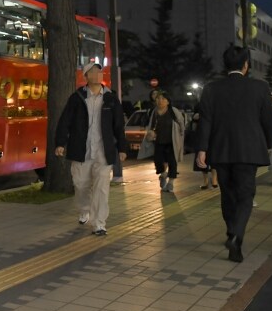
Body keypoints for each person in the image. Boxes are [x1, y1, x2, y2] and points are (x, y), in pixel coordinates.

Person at [195, 46, 272, 263]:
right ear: (246, 65)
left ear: (225, 66)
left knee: (228, 194)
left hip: (220, 150)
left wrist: (202, 149)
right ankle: (236, 237)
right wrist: (267, 143)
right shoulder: (260, 87)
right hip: (249, 151)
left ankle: (232, 232)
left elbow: (205, 121)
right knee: (245, 195)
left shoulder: (212, 89)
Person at [54, 62, 128, 236]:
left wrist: (122, 148)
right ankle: (84, 208)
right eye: (93, 72)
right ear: (86, 76)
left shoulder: (111, 98)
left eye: (99, 71)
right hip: (81, 150)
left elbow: (119, 125)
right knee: (80, 185)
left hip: (104, 151)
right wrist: (60, 143)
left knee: (102, 188)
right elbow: (65, 121)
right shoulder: (77, 98)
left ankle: (99, 223)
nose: (98, 74)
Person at [145, 90, 185, 193]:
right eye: (158, 98)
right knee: (158, 161)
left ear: (168, 101)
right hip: (159, 141)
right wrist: (151, 133)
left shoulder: (173, 111)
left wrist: (180, 137)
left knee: (172, 162)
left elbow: (181, 124)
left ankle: (171, 183)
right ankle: (163, 175)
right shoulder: (154, 112)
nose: (160, 101)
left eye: (163, 99)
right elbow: (151, 125)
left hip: (172, 142)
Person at [190, 104, 219, 189]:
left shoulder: (217, 103)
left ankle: (214, 179)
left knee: (214, 157)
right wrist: (196, 117)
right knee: (202, 159)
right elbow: (194, 118)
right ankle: (205, 180)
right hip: (201, 134)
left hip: (214, 134)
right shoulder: (199, 104)